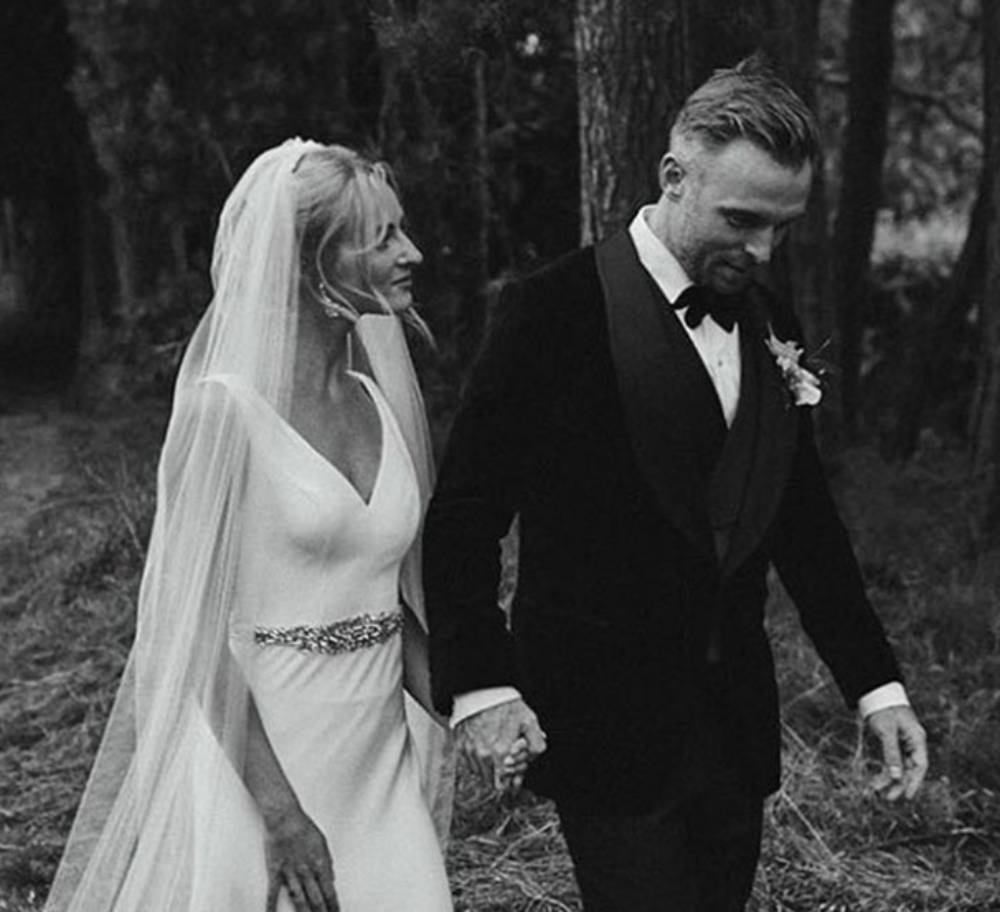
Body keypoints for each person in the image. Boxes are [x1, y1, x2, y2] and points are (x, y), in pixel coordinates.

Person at [423, 59, 928, 912]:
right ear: (673, 177)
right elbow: (465, 516)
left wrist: (877, 688)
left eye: (782, 226)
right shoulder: (550, 312)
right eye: (742, 220)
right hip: (600, 725)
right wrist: (482, 687)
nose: (762, 251)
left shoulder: (774, 325)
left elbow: (803, 525)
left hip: (732, 730)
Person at [43, 139, 493, 912]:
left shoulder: (375, 397)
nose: (411, 253)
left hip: (377, 763)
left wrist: (475, 709)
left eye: (402, 229)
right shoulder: (223, 413)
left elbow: (387, 604)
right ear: (309, 261)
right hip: (265, 761)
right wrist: (280, 814)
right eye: (382, 237)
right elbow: (190, 638)